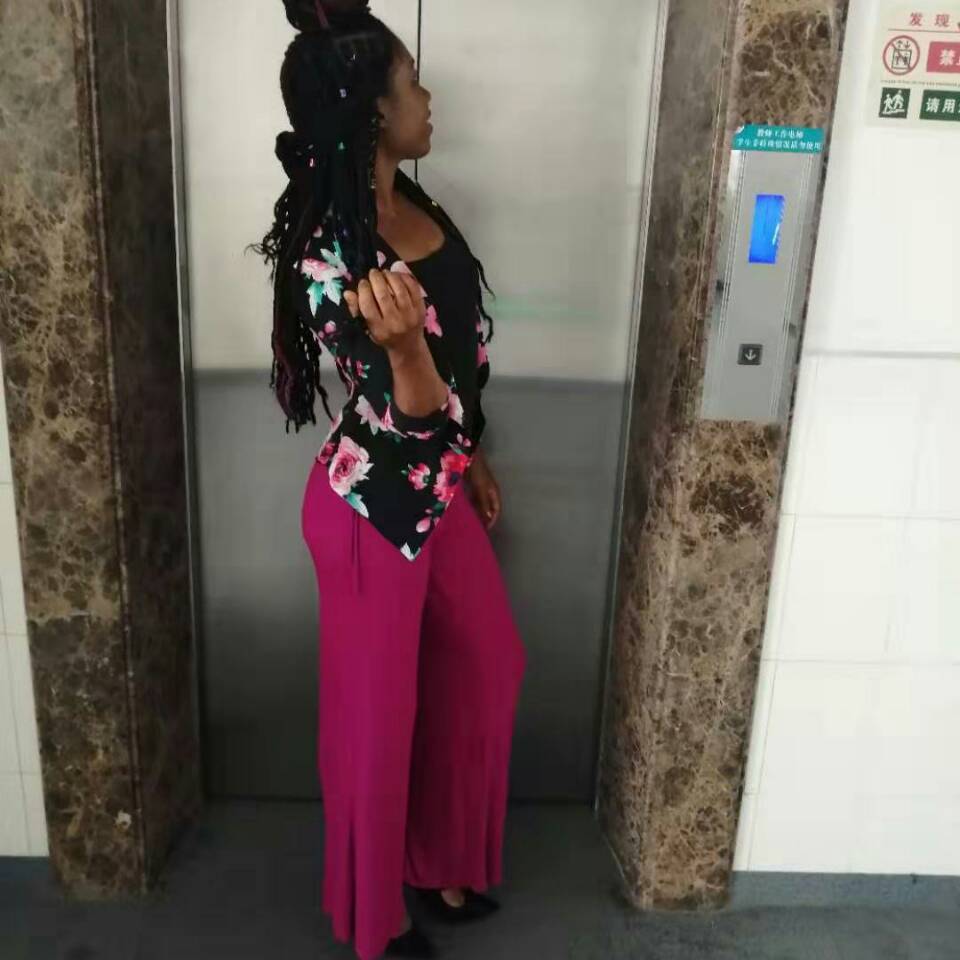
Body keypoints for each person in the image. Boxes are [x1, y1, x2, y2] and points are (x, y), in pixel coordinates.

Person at [249, 2, 528, 958]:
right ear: (371, 110)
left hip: (438, 490)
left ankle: (440, 857)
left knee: (487, 665)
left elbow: (457, 368)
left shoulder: (417, 206)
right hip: (370, 510)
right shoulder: (330, 252)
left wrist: (472, 454)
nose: (428, 99)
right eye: (411, 85)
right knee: (375, 724)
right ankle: (373, 920)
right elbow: (405, 402)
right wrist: (403, 349)